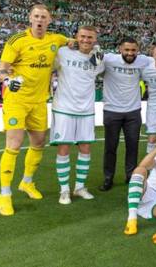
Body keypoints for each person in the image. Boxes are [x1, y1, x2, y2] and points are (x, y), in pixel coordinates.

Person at [0, 4, 70, 216]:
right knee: (14, 144)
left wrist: (93, 48)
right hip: (17, 100)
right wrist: (8, 80)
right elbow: (1, 69)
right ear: (30, 18)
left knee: (38, 143)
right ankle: (5, 194)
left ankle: (27, 182)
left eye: (43, 17)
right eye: (36, 16)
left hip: (39, 102)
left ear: (49, 20)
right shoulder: (17, 40)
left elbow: (78, 42)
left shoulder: (56, 40)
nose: (39, 20)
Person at [51, 26, 104, 204]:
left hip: (86, 110)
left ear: (94, 40)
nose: (86, 40)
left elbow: (96, 68)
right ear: (76, 37)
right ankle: (64, 190)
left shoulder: (97, 58)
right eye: (82, 36)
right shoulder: (62, 52)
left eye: (90, 37)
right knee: (64, 148)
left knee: (85, 149)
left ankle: (79, 187)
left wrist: (97, 51)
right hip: (64, 108)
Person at [100, 36, 153, 191]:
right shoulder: (109, 59)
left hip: (133, 111)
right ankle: (108, 178)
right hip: (111, 110)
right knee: (110, 147)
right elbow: (91, 63)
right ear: (120, 49)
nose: (130, 53)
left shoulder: (143, 60)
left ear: (138, 50)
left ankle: (130, 176)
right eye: (127, 50)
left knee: (132, 146)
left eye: (133, 50)